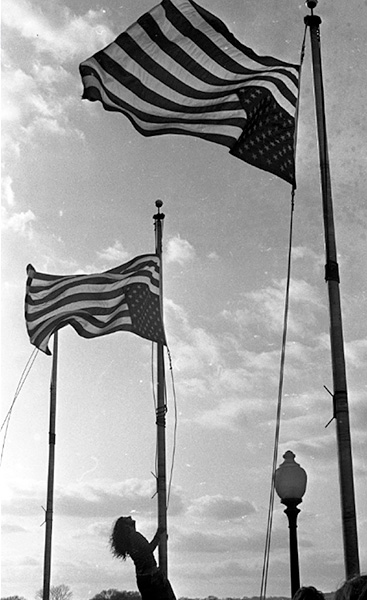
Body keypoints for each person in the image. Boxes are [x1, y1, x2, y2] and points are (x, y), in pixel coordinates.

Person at [110, 516, 176, 600]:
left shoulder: (127, 540)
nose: (130, 517)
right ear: (126, 525)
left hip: (142, 579)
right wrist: (158, 535)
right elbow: (148, 550)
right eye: (127, 519)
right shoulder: (134, 536)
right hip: (152, 577)